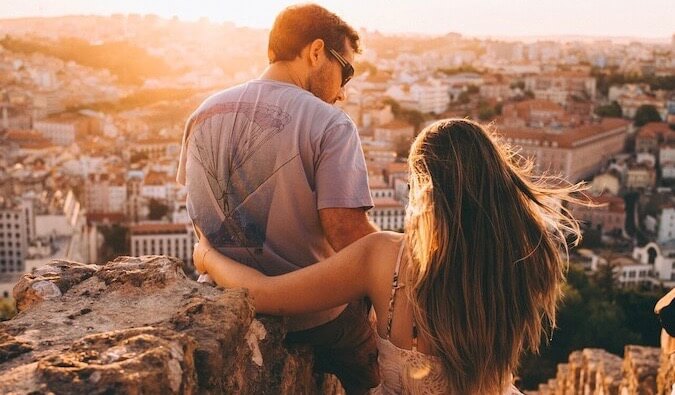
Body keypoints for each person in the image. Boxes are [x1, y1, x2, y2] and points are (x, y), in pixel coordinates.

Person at [193, 119, 586, 394]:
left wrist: (208, 256)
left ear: (421, 187)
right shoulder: (524, 261)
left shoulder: (383, 257)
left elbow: (265, 294)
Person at [176, 4, 380, 393]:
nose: (342, 92)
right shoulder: (330, 124)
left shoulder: (202, 113)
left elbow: (199, 213)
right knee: (381, 367)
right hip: (314, 316)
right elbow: (349, 237)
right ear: (316, 51)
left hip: (222, 294)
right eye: (346, 72)